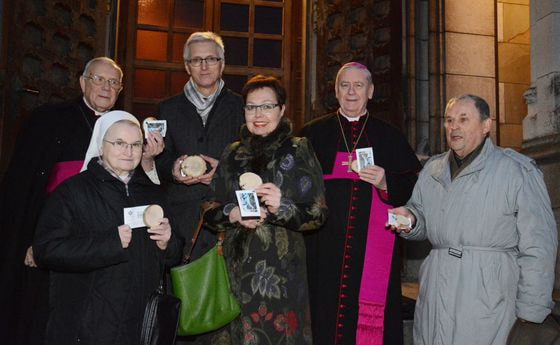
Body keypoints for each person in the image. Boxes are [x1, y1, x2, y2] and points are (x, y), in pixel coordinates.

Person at [389, 94, 558, 345]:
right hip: (436, 292)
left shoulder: (516, 171)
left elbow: (539, 245)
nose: (454, 126)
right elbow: (421, 213)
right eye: (449, 120)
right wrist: (410, 220)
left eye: (463, 119)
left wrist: (531, 312)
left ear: (486, 125)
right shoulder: (432, 171)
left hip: (489, 296)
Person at [0, 57, 131, 345]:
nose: (106, 87)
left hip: (100, 240)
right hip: (51, 234)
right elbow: (21, 188)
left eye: (113, 83)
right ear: (83, 82)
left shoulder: (125, 129)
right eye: (99, 79)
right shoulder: (48, 119)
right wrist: (27, 240)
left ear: (120, 90)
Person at [32, 111, 182, 345]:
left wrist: (168, 243)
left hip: (139, 324)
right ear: (101, 146)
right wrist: (110, 244)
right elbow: (47, 249)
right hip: (88, 324)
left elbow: (174, 254)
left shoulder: (153, 192)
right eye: (119, 143)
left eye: (135, 144)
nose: (128, 151)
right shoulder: (72, 192)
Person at [300, 62, 422, 345]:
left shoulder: (389, 136)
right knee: (322, 317)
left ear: (371, 91)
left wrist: (385, 182)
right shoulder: (312, 134)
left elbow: (414, 189)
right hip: (322, 250)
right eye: (345, 85)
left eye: (358, 85)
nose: (351, 92)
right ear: (336, 91)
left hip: (372, 250)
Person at [201, 75, 328, 344]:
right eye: (251, 107)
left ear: (282, 110)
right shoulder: (232, 153)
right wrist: (231, 215)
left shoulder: (297, 149)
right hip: (232, 276)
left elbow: (317, 214)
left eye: (267, 106)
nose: (258, 114)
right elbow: (209, 208)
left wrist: (282, 206)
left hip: (281, 279)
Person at [155, 31, 244, 258]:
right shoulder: (167, 109)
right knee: (183, 291)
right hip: (181, 221)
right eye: (196, 60)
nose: (204, 66)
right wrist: (173, 169)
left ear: (222, 64)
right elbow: (158, 159)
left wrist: (223, 171)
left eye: (211, 59)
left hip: (230, 217)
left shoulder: (241, 107)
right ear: (187, 66)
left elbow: (252, 159)